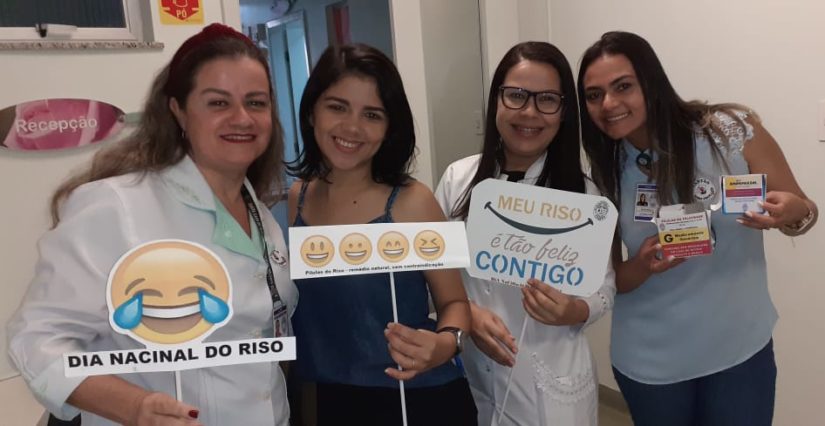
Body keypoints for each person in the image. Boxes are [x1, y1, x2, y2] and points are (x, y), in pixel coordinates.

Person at [6, 24, 299, 426]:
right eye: (218, 102)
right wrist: (134, 407)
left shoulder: (263, 218)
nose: (242, 118)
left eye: (256, 102)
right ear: (178, 110)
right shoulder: (116, 205)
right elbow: (36, 340)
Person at [578, 31, 819, 426]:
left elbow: (804, 213)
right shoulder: (603, 171)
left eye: (623, 86)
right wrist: (643, 264)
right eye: (594, 94)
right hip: (651, 362)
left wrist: (794, 212)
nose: (608, 103)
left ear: (651, 82)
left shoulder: (729, 132)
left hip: (739, 353)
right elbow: (612, 280)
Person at [286, 43, 476, 426]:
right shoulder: (298, 198)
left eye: (372, 114)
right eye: (337, 107)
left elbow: (456, 302)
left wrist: (444, 344)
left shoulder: (414, 202)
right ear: (311, 112)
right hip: (326, 400)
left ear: (389, 127)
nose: (352, 127)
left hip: (416, 399)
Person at [435, 41, 616, 426]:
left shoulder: (584, 195)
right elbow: (432, 271)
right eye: (516, 95)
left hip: (552, 386)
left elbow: (605, 288)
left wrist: (575, 310)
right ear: (496, 101)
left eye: (547, 99)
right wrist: (467, 313)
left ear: (564, 112)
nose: (530, 112)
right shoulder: (457, 179)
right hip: (469, 378)